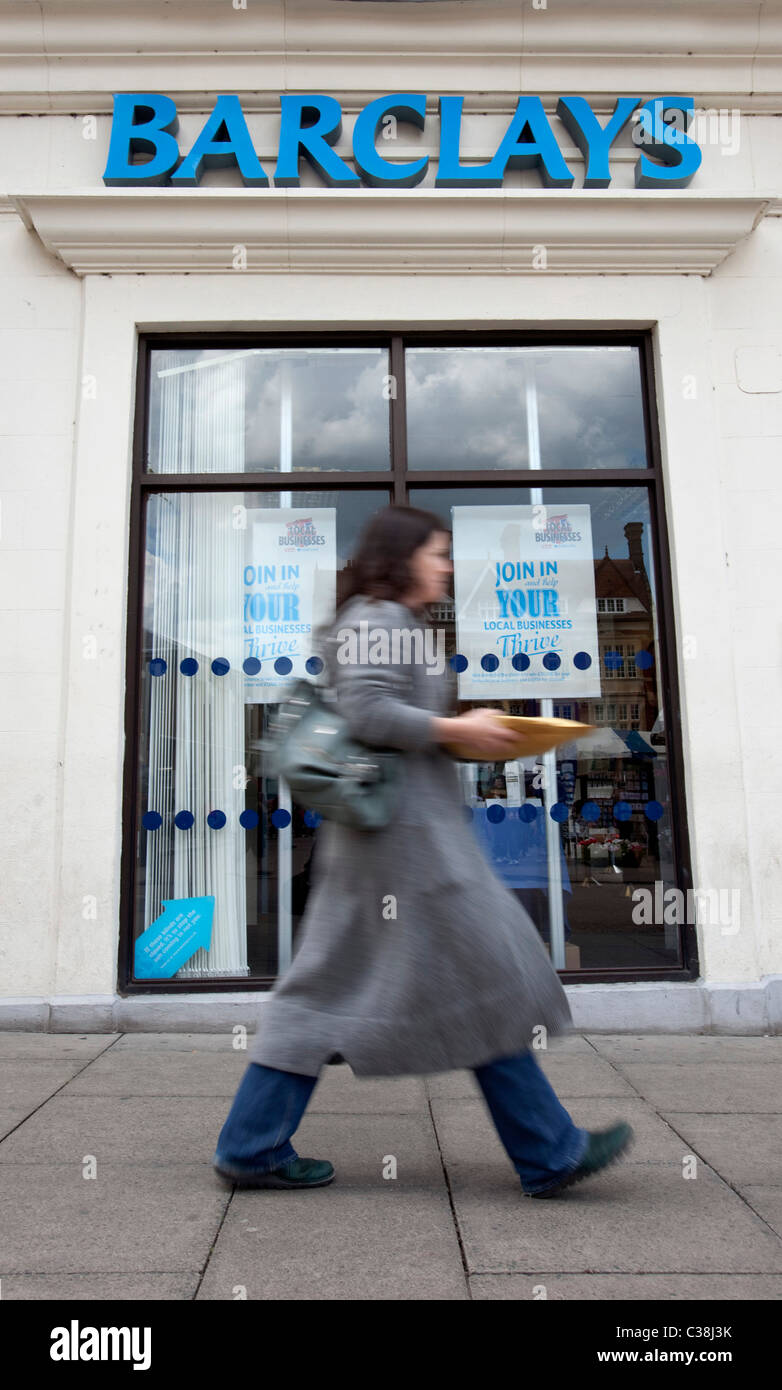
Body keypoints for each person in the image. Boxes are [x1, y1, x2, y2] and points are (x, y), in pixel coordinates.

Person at [213, 505, 633, 1198]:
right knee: (455, 978)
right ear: (401, 557)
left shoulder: (393, 623)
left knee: (345, 993)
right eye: (437, 553)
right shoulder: (375, 621)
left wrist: (466, 733)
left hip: (400, 842)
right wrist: (452, 726)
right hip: (402, 849)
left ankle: (250, 1145)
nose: (447, 566)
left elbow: (387, 717)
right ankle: (550, 1152)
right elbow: (368, 713)